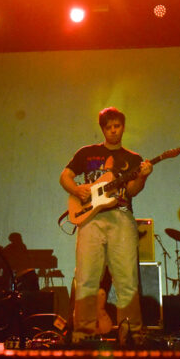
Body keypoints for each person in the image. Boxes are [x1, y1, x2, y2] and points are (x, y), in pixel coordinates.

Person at [59, 107, 153, 343]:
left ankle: (130, 332)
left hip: (121, 215)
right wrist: (77, 190)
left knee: (127, 278)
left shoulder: (133, 158)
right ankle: (83, 332)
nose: (113, 131)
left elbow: (131, 191)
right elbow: (65, 176)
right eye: (108, 127)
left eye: (117, 126)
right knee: (86, 277)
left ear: (123, 127)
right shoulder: (86, 153)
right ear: (102, 129)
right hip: (90, 218)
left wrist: (143, 176)